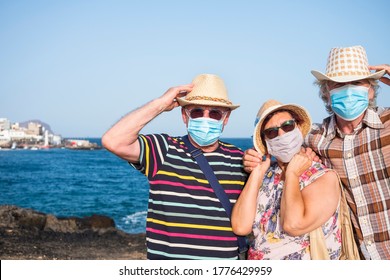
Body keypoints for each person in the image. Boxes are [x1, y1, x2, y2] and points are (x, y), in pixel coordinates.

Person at [243, 46, 390, 260]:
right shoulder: (315, 137)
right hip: (362, 255)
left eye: (357, 82)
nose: (348, 90)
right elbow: (280, 139)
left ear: (370, 90)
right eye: (339, 85)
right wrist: (253, 158)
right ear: (326, 93)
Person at [102, 73, 248, 260]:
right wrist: (161, 104)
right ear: (184, 116)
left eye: (215, 113)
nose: (206, 118)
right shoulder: (164, 148)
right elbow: (113, 140)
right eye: (196, 111)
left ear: (225, 119)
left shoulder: (240, 158)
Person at [231, 99, 341, 260]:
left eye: (287, 126)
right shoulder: (267, 176)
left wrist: (292, 174)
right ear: (265, 141)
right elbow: (241, 226)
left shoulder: (323, 176)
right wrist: (256, 174)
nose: (281, 135)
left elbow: (294, 224)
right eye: (272, 132)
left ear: (298, 127)